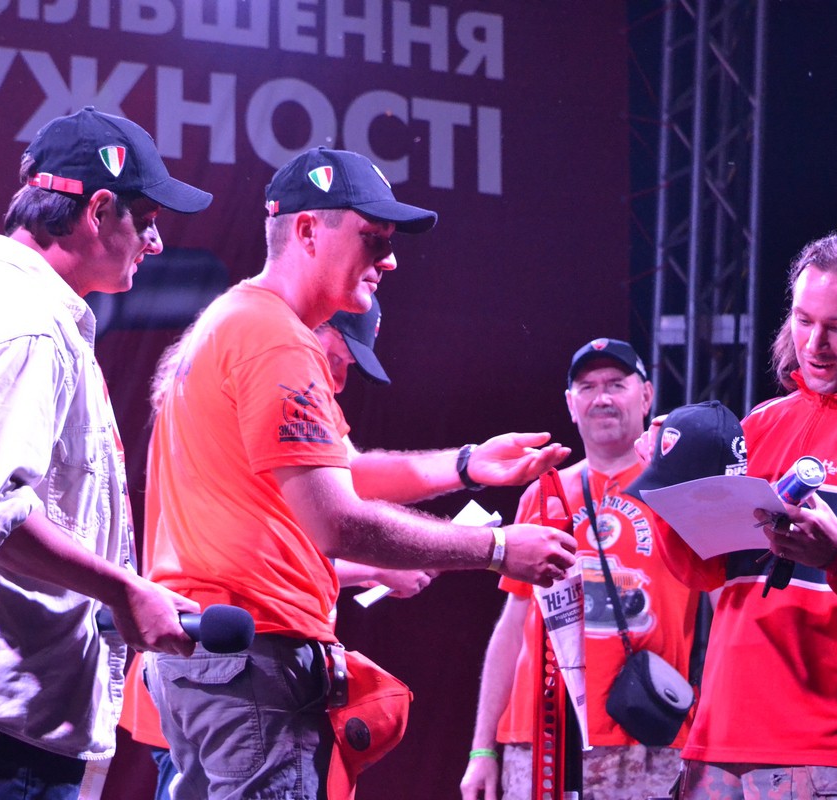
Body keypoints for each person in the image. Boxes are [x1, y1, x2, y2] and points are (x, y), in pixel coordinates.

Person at [140, 146, 578, 800]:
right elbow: (338, 522)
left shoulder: (233, 321)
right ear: (308, 231)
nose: (390, 260)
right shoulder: (275, 338)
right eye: (374, 239)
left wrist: (465, 464)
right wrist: (495, 549)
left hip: (210, 659)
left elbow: (340, 472)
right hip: (251, 659)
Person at [0, 107, 212, 800]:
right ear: (98, 210)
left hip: (4, 715)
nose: (154, 243)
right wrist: (125, 591)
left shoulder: (3, 307)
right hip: (11, 721)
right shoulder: (26, 323)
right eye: (147, 220)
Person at [651, 232, 837, 799]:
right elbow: (705, 571)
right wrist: (666, 491)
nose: (814, 344)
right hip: (716, 745)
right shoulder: (759, 424)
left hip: (829, 753)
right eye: (802, 320)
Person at [117, 297, 432, 800]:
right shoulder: (264, 387)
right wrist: (482, 536)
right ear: (307, 329)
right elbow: (263, 555)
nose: (338, 380)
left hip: (198, 664)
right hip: (235, 661)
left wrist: (464, 468)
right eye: (336, 357)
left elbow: (286, 533)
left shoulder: (203, 397)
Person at [460, 338, 703, 800]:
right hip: (541, 737)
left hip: (648, 733)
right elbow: (513, 626)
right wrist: (482, 749)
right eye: (587, 387)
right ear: (571, 405)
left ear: (647, 396)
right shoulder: (543, 494)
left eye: (616, 384)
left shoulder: (680, 491)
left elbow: (727, 607)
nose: (602, 397)